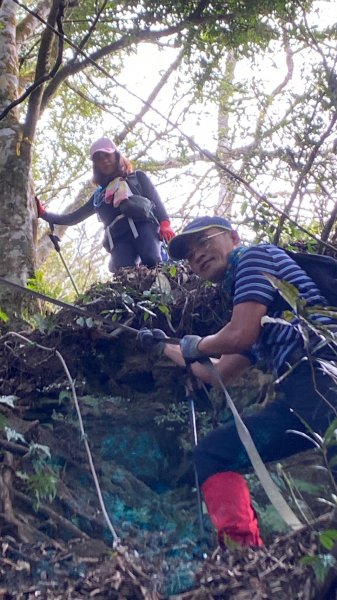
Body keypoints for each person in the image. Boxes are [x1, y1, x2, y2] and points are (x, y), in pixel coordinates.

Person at [137, 215, 337, 548]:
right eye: (188, 254)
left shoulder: (255, 258)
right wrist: (165, 348)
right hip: (303, 395)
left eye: (204, 241)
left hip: (324, 376)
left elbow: (239, 334)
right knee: (214, 454)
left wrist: (197, 344)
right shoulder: (259, 305)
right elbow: (218, 373)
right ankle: (244, 557)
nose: (196, 255)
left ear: (233, 237)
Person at [36, 138, 175, 272]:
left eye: (107, 155)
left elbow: (156, 200)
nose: (105, 161)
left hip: (145, 227)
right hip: (119, 237)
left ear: (116, 156)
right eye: (99, 159)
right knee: (125, 272)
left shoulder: (137, 178)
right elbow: (73, 218)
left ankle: (160, 290)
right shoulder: (99, 196)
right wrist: (45, 215)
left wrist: (165, 224)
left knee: (152, 260)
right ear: (96, 165)